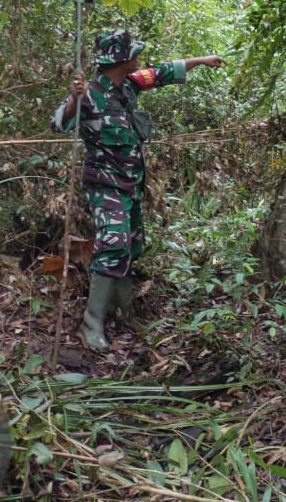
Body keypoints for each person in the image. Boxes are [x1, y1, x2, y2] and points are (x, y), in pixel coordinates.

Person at [51, 29, 224, 352]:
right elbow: (59, 122)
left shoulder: (129, 84)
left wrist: (202, 60)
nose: (139, 57)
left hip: (131, 183)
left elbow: (164, 72)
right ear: (120, 59)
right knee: (114, 243)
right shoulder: (89, 93)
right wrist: (75, 96)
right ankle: (92, 324)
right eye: (134, 53)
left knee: (132, 245)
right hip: (105, 184)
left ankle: (124, 313)